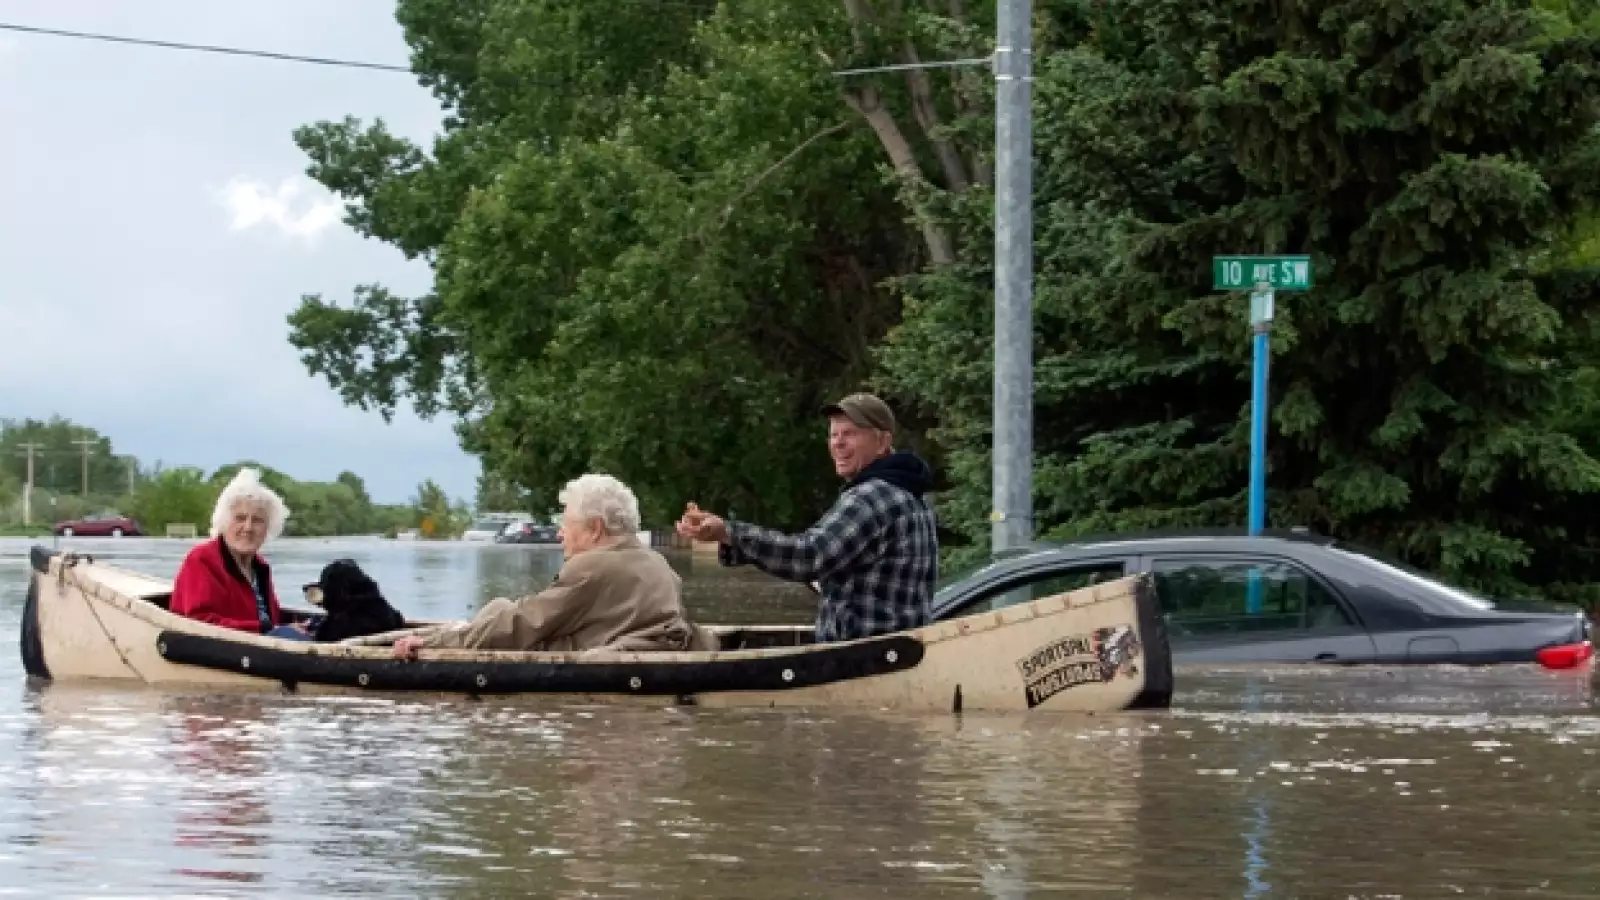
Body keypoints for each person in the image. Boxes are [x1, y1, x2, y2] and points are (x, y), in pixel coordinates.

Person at [676, 392, 939, 643]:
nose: (837, 443)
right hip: (900, 655)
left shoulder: (873, 496)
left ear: (882, 442)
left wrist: (729, 533)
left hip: (865, 661)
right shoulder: (912, 494)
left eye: (850, 434)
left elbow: (810, 556)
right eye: (833, 435)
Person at [392, 474, 696, 658]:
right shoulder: (658, 562)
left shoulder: (591, 567)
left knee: (498, 611)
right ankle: (465, 630)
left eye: (566, 523)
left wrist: (437, 640)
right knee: (498, 610)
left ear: (595, 529)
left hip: (605, 658)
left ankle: (460, 633)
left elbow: (524, 622)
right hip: (632, 650)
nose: (560, 533)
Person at [170, 467, 311, 640]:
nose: (248, 527)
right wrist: (267, 629)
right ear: (224, 521)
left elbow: (270, 620)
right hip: (214, 653)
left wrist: (293, 627)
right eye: (240, 518)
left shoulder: (259, 566)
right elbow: (199, 622)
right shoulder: (202, 559)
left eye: (257, 520)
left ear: (268, 528)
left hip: (257, 650)